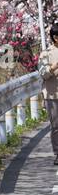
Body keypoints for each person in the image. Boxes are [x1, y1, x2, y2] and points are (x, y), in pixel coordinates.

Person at [42, 24, 58, 164]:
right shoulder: (46, 53)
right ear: (55, 37)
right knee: (56, 125)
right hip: (53, 95)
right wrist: (55, 66)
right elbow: (43, 74)